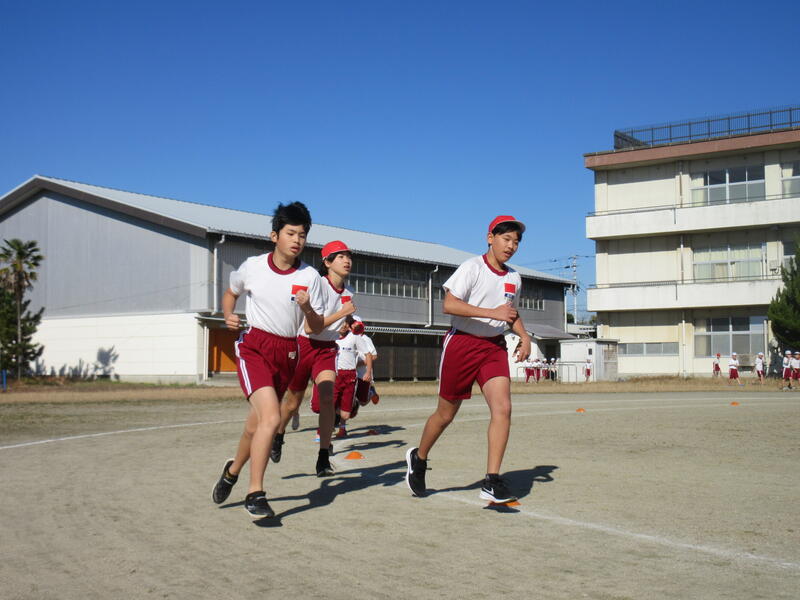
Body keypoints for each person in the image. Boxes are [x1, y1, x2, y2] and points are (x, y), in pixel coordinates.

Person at [405, 215, 531, 504]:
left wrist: (524, 337)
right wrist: (491, 313)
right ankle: (419, 458)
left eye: (516, 242)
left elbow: (510, 313)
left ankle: (492, 480)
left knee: (503, 408)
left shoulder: (514, 278)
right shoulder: (472, 267)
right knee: (445, 414)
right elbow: (449, 304)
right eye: (506, 239)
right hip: (462, 344)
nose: (511, 246)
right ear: (490, 238)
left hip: (493, 347)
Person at [211, 202, 325, 518]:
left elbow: (316, 327)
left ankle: (231, 472)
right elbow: (231, 292)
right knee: (272, 420)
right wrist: (228, 314)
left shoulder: (310, 276)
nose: (297, 240)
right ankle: (255, 493)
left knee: (255, 426)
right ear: (274, 235)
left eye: (302, 235)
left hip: (287, 353)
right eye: (291, 233)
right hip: (255, 348)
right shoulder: (253, 267)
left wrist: (307, 308)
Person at [271, 240, 356, 477]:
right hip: (304, 345)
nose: (347, 261)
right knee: (292, 403)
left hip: (326, 349)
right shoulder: (318, 284)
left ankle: (323, 457)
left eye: (348, 256)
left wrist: (349, 323)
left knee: (328, 398)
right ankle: (279, 434)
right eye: (340, 257)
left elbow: (340, 320)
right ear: (327, 263)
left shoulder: (349, 292)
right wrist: (342, 314)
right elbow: (311, 327)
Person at [333, 317, 373, 437]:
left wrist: (368, 372)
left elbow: (370, 355)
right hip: (334, 375)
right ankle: (325, 430)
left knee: (347, 413)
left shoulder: (355, 337)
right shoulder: (330, 336)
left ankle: (342, 427)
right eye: (341, 322)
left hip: (350, 376)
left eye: (346, 323)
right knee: (328, 405)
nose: (343, 325)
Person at [354, 320, 379, 406]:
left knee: (362, 402)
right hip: (352, 373)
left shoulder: (365, 339)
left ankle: (371, 392)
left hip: (363, 374)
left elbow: (374, 356)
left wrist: (360, 363)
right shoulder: (350, 338)